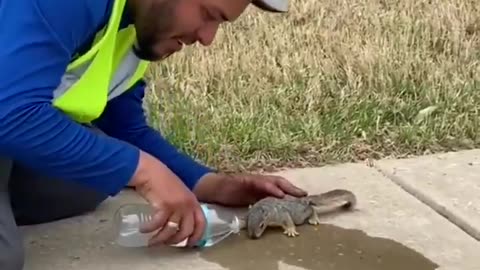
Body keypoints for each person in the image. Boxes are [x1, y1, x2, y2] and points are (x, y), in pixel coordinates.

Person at [0, 0, 308, 269]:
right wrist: (146, 173)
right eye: (208, 14)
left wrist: (212, 184)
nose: (207, 37)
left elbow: (124, 128)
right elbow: (11, 113)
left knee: (85, 181)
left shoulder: (132, 23)